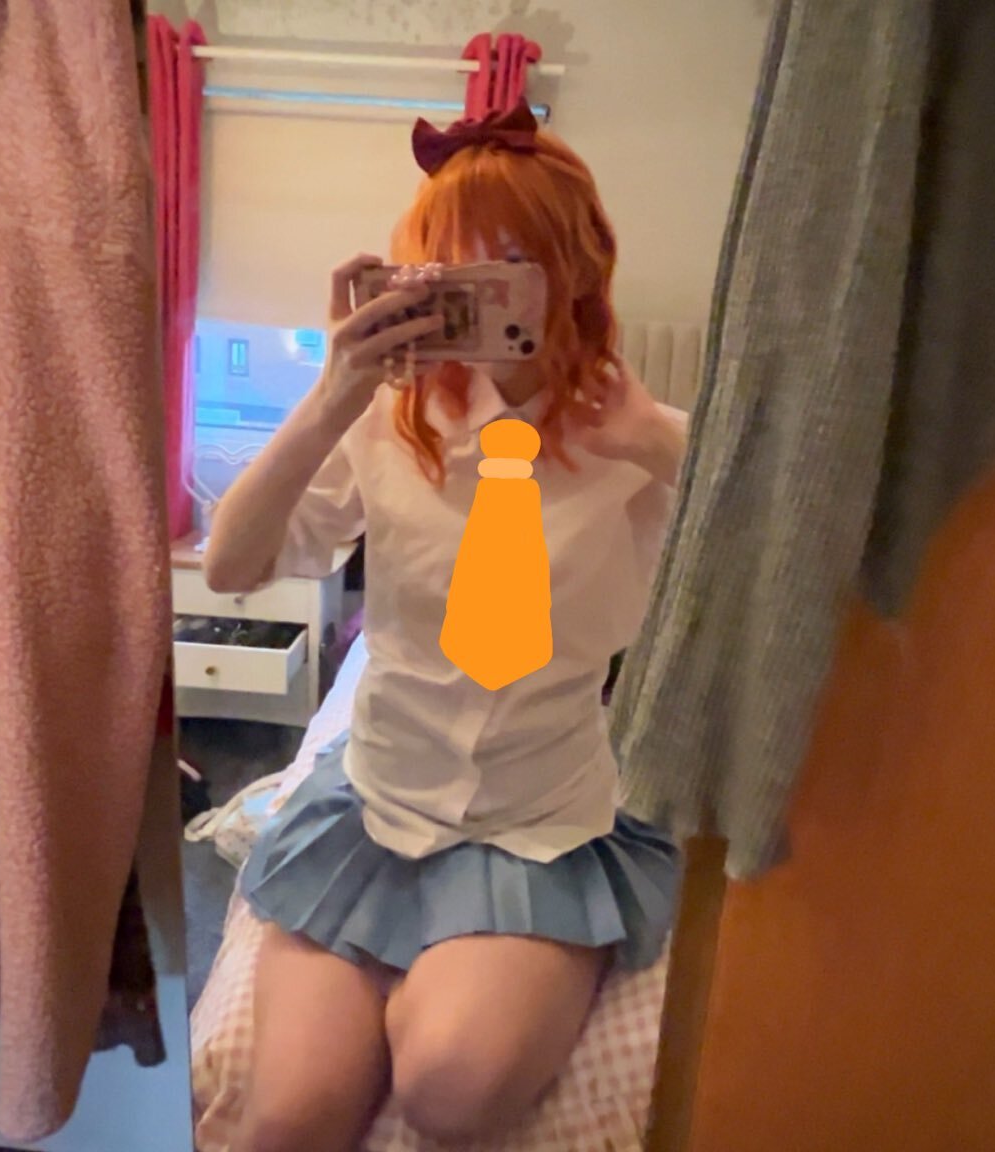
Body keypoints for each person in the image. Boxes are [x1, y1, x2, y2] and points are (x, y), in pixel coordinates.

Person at [202, 102, 688, 1150]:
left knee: (451, 1092)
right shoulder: (388, 421)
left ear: (575, 267)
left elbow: (782, 553)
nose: (483, 290)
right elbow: (232, 565)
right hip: (377, 800)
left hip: (536, 822)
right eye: (454, 266)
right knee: (287, 1118)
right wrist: (331, 395)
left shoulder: (638, 440)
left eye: (512, 262)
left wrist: (653, 440)